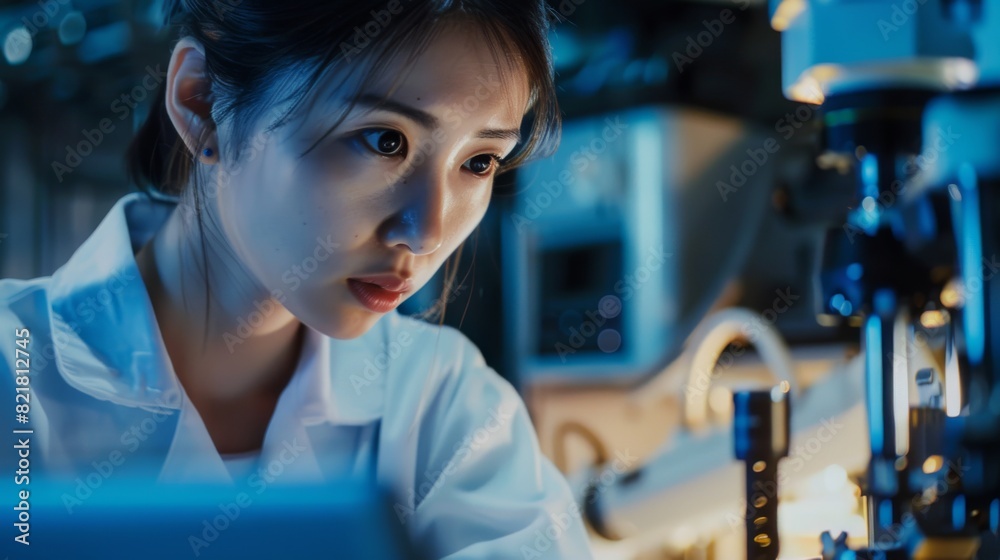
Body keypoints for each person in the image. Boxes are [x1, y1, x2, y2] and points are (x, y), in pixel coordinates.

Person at [0, 1, 595, 557]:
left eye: (478, 162)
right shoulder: (13, 371)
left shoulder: (442, 402)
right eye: (385, 141)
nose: (427, 232)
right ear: (201, 102)